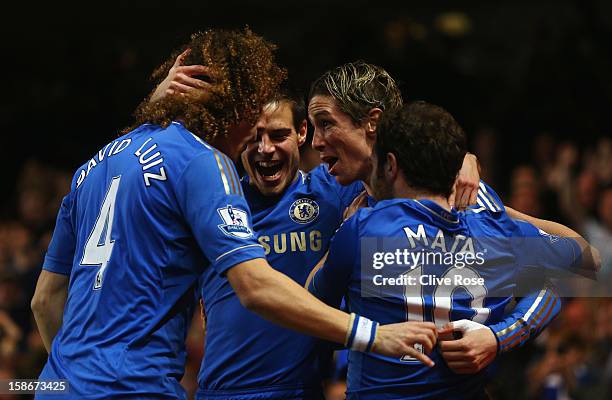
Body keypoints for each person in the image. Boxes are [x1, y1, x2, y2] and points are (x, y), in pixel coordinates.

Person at [30, 29, 436, 400]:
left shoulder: (92, 168)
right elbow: (256, 288)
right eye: (253, 109)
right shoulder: (202, 162)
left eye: (276, 132)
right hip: (138, 388)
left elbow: (45, 301)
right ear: (236, 102)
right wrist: (371, 335)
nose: (257, 143)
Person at [308, 101, 600, 399]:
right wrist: (498, 337)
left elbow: (313, 305)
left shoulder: (362, 227)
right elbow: (585, 259)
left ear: (391, 166)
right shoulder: (494, 230)